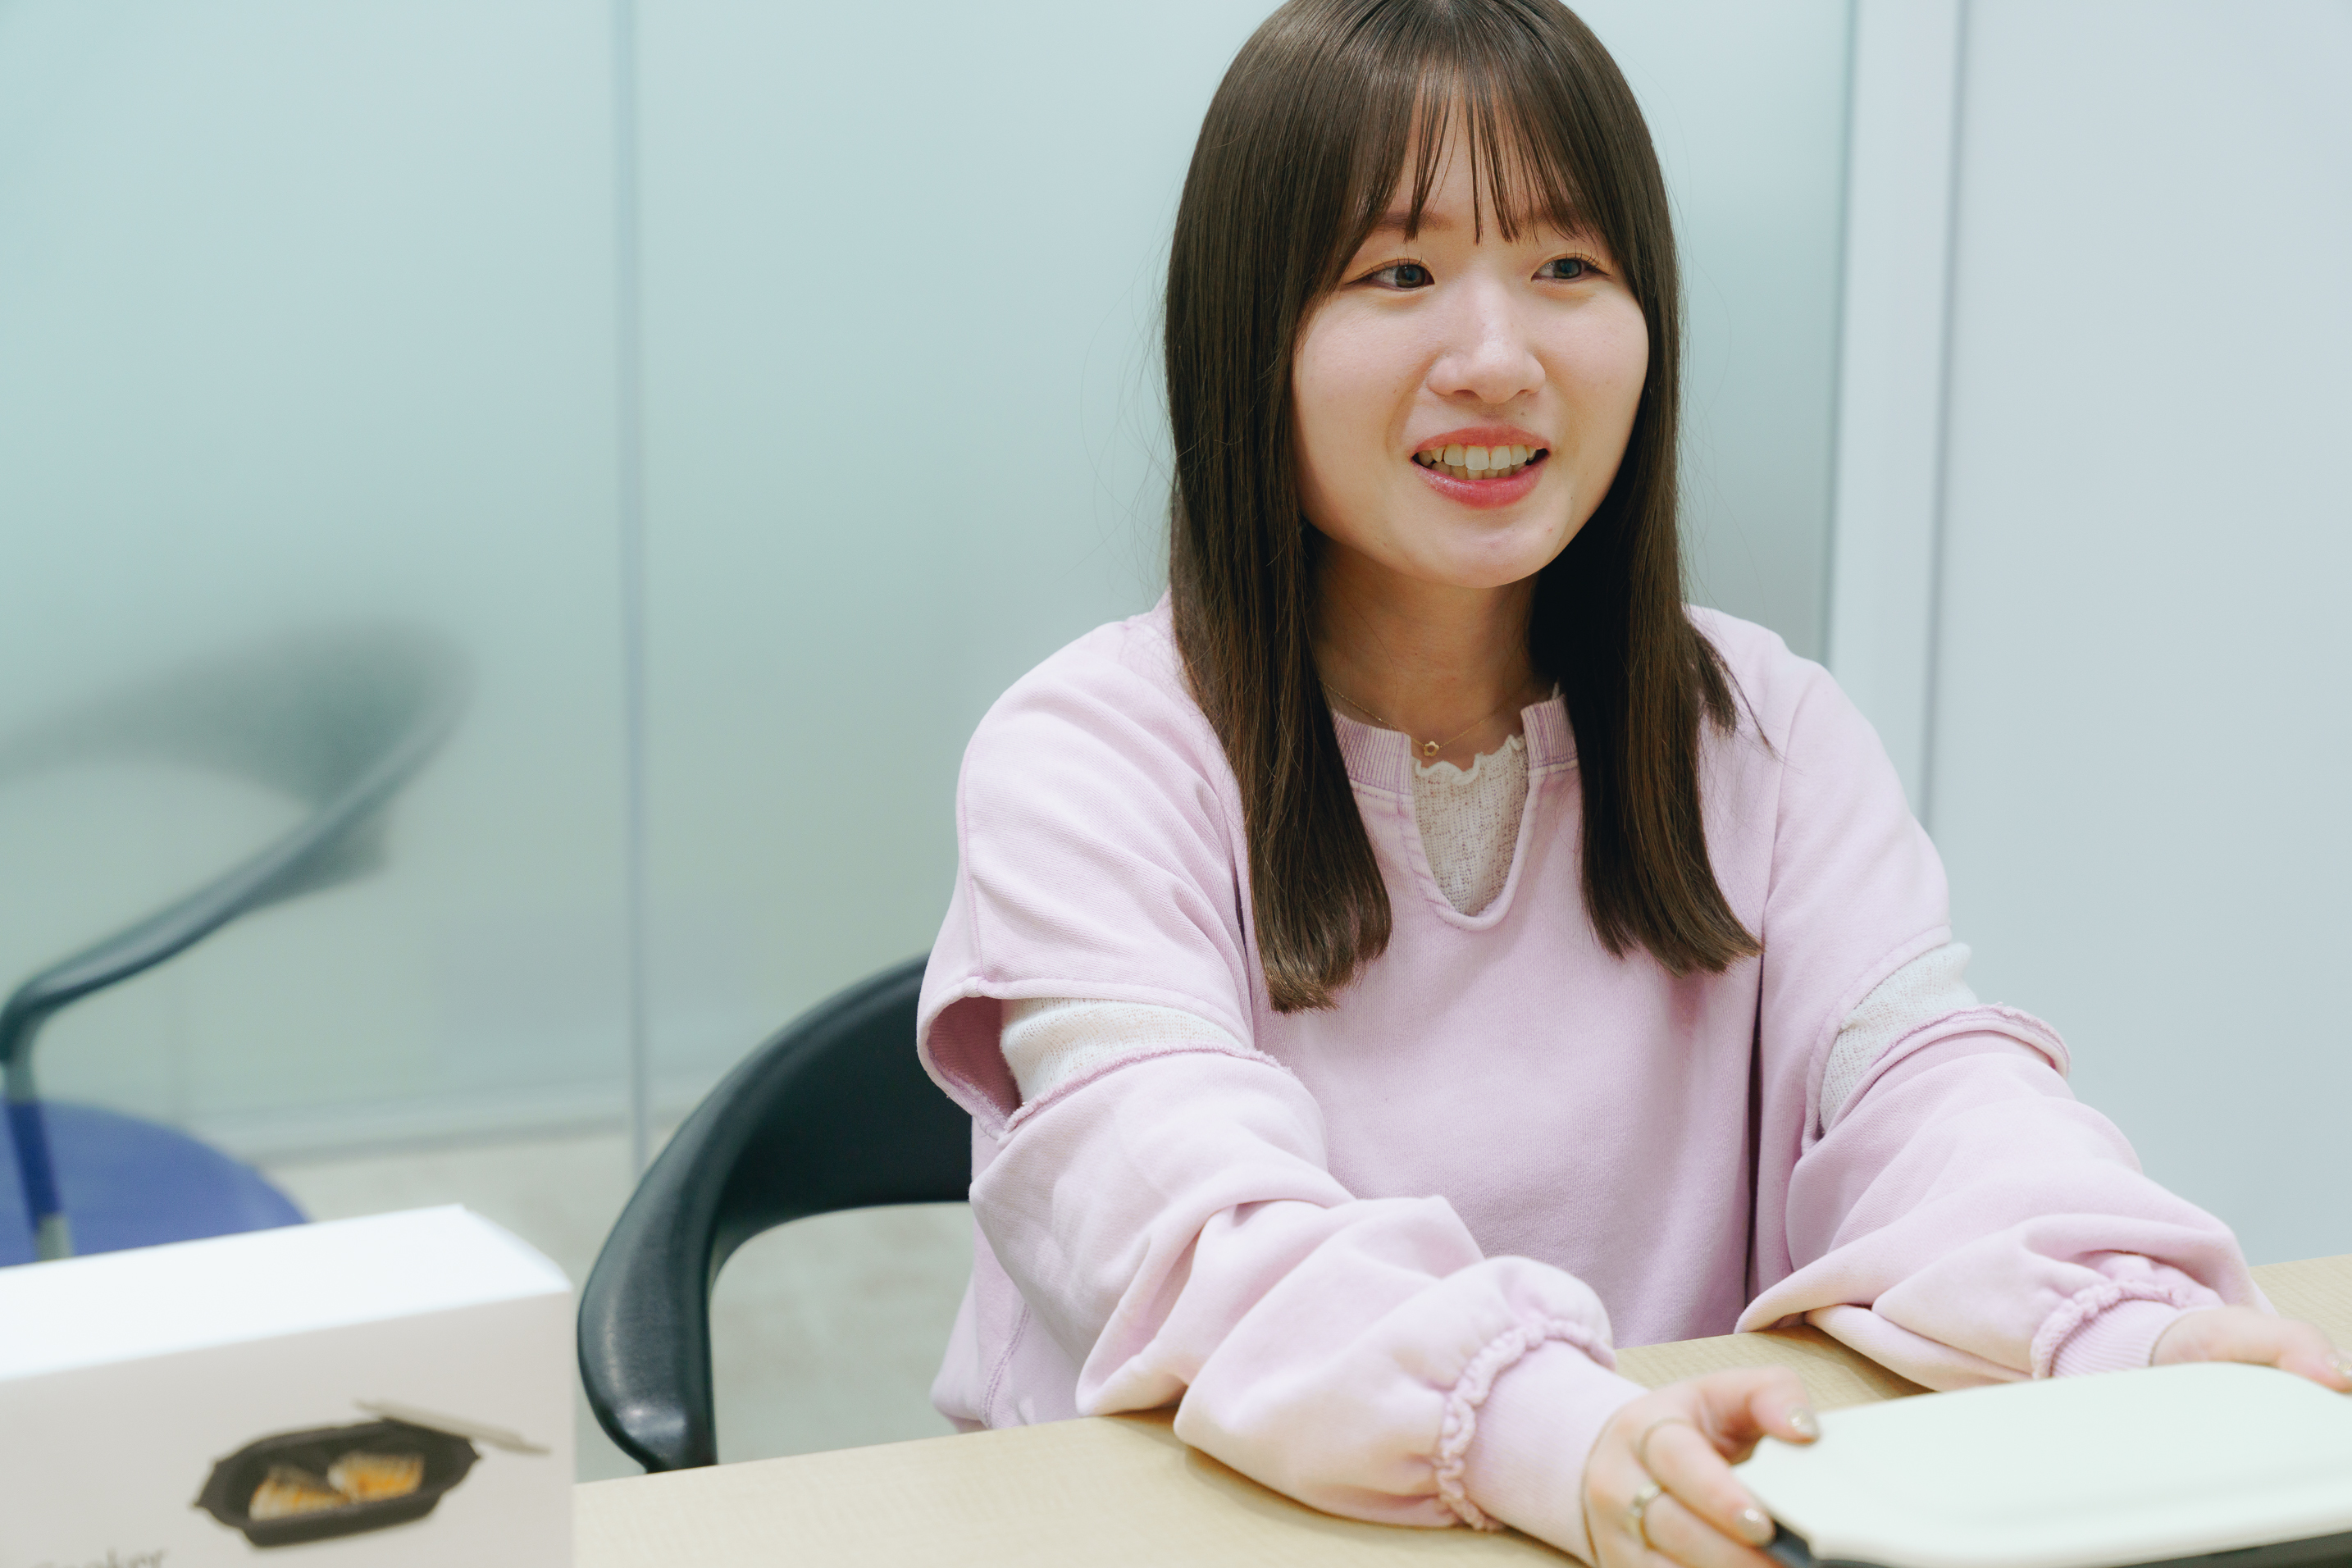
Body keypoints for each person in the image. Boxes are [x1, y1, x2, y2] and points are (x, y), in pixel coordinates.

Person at [914, 1, 2349, 1562]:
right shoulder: (1094, 756)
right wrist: (1536, 1419)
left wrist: (2125, 1328)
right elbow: (1191, 1226)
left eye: (1566, 266)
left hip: (1670, 1520)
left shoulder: (1760, 729)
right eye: (1399, 273)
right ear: (1247, 334)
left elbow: (1927, 1093)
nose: (1498, 359)